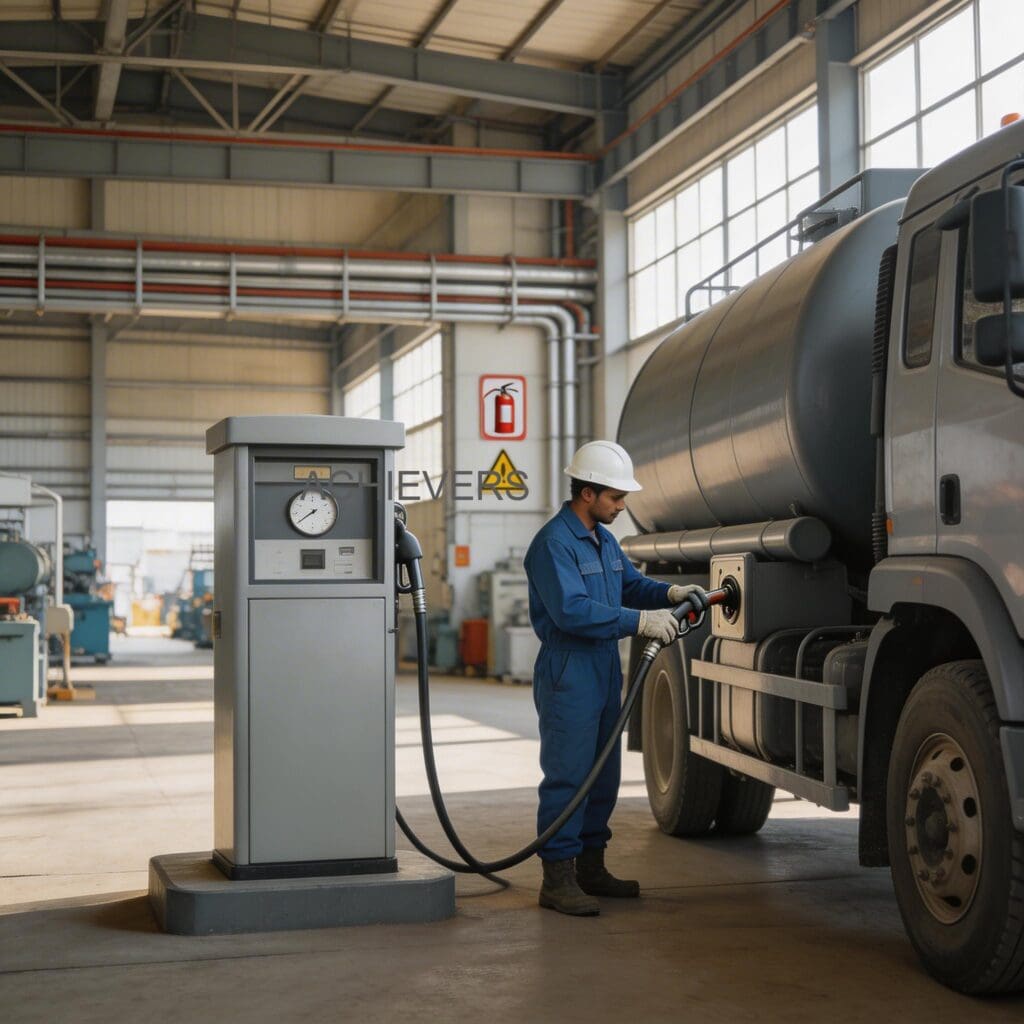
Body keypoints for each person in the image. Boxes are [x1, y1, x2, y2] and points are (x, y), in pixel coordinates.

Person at [523, 440, 701, 917]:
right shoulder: (553, 544)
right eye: (615, 498)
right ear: (586, 493)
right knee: (569, 774)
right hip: (569, 669)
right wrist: (639, 623)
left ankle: (591, 867)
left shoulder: (604, 541)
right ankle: (557, 878)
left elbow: (630, 585)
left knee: (603, 772)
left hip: (603, 665)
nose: (622, 507)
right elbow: (571, 611)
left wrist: (670, 591)